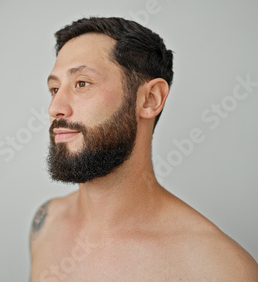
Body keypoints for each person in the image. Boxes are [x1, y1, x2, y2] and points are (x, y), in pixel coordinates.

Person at [29, 17, 258, 281]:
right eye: (54, 89)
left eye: (81, 83)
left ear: (150, 99)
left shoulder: (219, 269)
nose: (55, 108)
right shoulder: (46, 223)